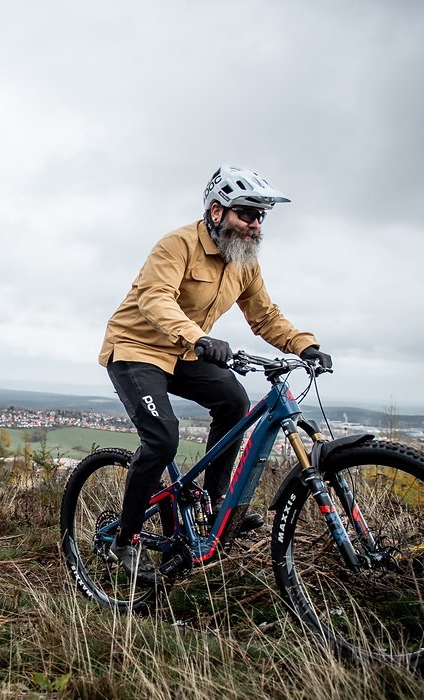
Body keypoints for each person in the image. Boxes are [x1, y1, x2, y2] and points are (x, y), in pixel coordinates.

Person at [98, 164, 332, 581]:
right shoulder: (177, 244)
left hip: (185, 352)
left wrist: (304, 345)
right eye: (247, 213)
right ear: (217, 211)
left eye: (260, 216)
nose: (254, 224)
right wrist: (198, 338)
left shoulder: (245, 261)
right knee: (163, 438)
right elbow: (156, 299)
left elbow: (265, 316)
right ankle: (125, 541)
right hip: (137, 349)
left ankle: (216, 502)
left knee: (235, 402)